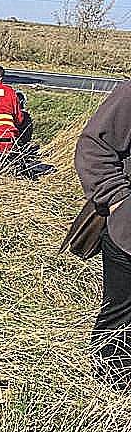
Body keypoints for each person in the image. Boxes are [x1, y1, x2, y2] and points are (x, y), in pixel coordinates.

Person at [75, 81, 131, 389]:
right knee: (121, 318)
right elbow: (93, 147)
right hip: (128, 234)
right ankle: (113, 395)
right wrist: (118, 199)